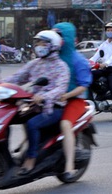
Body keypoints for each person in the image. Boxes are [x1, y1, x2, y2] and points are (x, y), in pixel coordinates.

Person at [4, 30, 70, 175]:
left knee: (32, 124)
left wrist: (45, 96)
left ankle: (31, 159)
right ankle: (5, 158)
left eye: (43, 43)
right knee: (6, 119)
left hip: (53, 108)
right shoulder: (35, 63)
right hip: (33, 106)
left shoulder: (61, 67)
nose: (39, 46)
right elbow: (18, 77)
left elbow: (60, 88)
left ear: (52, 46)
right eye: (38, 43)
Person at [53, 22, 92, 180]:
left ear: (67, 38)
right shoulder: (52, 58)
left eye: (60, 35)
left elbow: (83, 86)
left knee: (65, 124)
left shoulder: (79, 60)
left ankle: (69, 164)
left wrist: (67, 96)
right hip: (54, 98)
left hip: (75, 100)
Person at [89, 22, 112, 123]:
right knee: (88, 77)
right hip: (104, 69)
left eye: (111, 30)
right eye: (108, 30)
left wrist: (106, 63)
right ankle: (95, 101)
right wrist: (88, 63)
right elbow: (96, 56)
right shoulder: (104, 44)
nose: (109, 32)